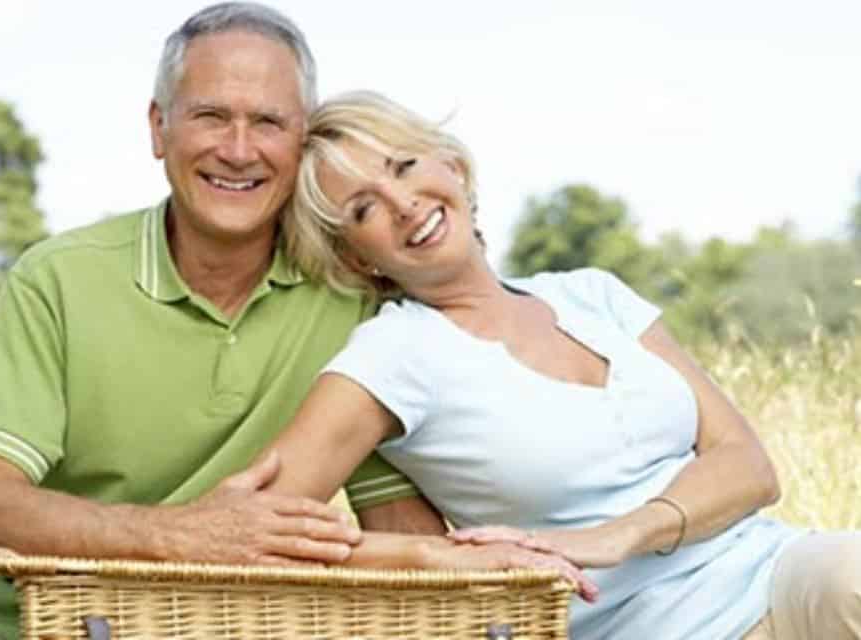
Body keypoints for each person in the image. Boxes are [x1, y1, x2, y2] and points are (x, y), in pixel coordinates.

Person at [0, 6, 584, 640]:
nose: (238, 150)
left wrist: (463, 564)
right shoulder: (58, 278)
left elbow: (391, 516)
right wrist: (185, 536)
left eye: (267, 121)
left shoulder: (354, 304)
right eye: (210, 116)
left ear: (302, 137)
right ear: (158, 128)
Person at [255, 90, 861, 639]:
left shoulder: (594, 294)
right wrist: (436, 557)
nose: (405, 203)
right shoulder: (393, 354)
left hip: (783, 573)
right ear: (358, 261)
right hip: (639, 627)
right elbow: (255, 534)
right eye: (364, 208)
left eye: (405, 167)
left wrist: (621, 534)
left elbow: (750, 467)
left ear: (454, 168)